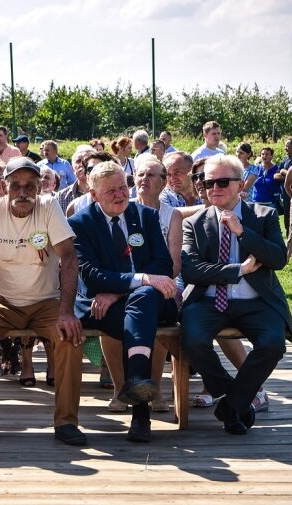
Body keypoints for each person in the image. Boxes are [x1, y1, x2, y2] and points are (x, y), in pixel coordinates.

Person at [0, 157, 86, 445]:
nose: (23, 192)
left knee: (69, 335)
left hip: (46, 302)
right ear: (4, 187)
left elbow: (69, 258)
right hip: (1, 301)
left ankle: (66, 422)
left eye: (30, 186)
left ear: (40, 187)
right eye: (16, 186)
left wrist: (66, 312)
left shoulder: (49, 206)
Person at [180, 154, 292, 435]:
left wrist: (243, 232)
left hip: (255, 301)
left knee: (272, 344)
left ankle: (231, 406)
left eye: (222, 182)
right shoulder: (194, 223)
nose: (213, 188)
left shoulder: (264, 216)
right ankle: (236, 399)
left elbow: (279, 258)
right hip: (208, 301)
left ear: (241, 184)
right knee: (193, 340)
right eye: (208, 183)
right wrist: (238, 270)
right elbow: (192, 271)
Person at [69, 161, 177, 443]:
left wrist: (123, 289)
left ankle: (138, 398)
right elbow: (91, 275)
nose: (120, 195)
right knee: (139, 308)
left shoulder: (146, 217)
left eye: (123, 187)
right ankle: (141, 412)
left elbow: (163, 264)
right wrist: (140, 280)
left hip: (143, 301)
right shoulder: (80, 224)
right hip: (100, 307)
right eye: (110, 191)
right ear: (93, 195)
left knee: (142, 299)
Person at [99, 157, 181, 414]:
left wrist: (151, 283)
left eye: (151, 175)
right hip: (124, 285)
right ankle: (120, 389)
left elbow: (174, 263)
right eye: (140, 175)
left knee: (150, 313)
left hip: (164, 285)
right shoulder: (125, 209)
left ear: (164, 182)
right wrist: (128, 286)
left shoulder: (171, 215)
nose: (143, 179)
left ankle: (153, 388)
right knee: (110, 314)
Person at [56, 147, 95, 213]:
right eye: (78, 161)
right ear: (72, 169)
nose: (83, 164)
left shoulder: (109, 192)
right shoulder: (61, 197)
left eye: (88, 160)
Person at [275, 138, 292, 237]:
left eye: (287, 146)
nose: (285, 148)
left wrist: (284, 171)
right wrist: (289, 175)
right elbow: (275, 176)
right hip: (286, 195)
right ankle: (290, 239)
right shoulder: (286, 160)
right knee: (287, 218)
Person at [248, 147, 281, 213]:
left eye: (267, 154)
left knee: (271, 222)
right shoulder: (256, 168)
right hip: (257, 202)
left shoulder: (276, 169)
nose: (264, 156)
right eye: (262, 154)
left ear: (272, 156)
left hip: (271, 203)